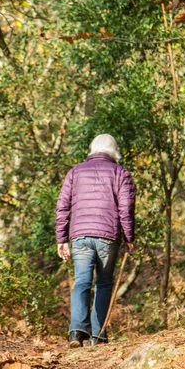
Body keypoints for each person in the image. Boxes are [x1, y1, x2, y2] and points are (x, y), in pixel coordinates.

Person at [55, 134, 136, 348]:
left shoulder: (75, 171)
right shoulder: (121, 173)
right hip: (107, 236)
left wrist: (61, 239)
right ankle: (98, 335)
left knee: (82, 281)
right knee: (104, 283)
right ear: (115, 151)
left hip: (80, 236)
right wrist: (129, 237)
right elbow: (125, 210)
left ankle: (76, 331)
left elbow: (62, 206)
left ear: (92, 149)